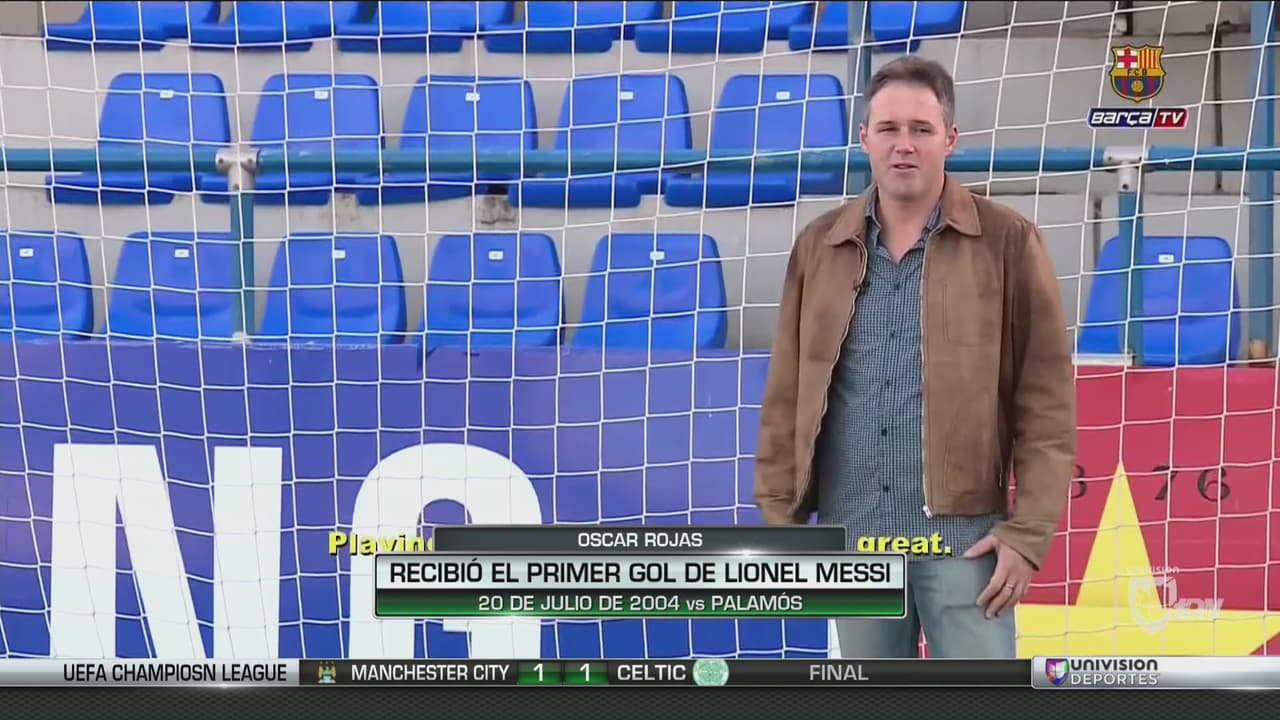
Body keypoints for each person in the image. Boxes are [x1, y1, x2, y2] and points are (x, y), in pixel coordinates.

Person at [752, 55, 1076, 659]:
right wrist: (780, 520)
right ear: (864, 138)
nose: (904, 145)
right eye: (890, 129)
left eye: (921, 129)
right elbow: (786, 394)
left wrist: (1028, 533)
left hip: (966, 543)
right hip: (855, 541)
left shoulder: (1008, 241)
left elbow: (1047, 405)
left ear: (949, 138)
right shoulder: (819, 246)